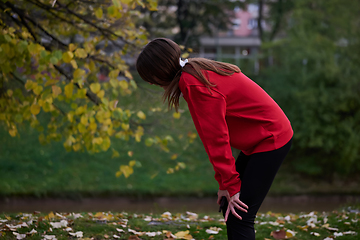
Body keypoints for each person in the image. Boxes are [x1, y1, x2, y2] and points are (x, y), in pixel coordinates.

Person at [136, 38, 293, 240]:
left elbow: (216, 138)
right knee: (230, 206)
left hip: (271, 138)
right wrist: (224, 184)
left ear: (158, 73)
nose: (150, 83)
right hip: (261, 139)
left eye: (149, 77)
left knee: (239, 215)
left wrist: (231, 184)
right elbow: (214, 138)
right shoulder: (193, 72)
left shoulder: (194, 83)